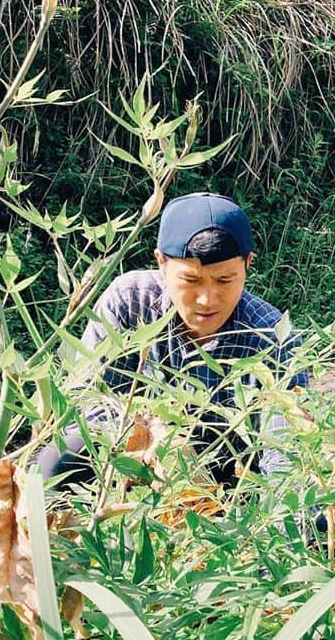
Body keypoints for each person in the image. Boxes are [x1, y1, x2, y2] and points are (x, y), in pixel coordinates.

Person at [35, 192, 309, 490]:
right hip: (134, 452)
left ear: (248, 264)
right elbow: (88, 403)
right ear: (162, 262)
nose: (207, 299)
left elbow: (285, 447)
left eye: (224, 281)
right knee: (52, 465)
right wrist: (158, 440)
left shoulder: (272, 335)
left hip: (229, 472)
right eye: (191, 281)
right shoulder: (129, 301)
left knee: (308, 508)